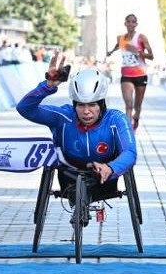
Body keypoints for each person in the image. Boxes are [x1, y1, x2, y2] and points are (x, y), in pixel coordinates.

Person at [16, 53, 136, 202]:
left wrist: (111, 168)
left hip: (105, 177)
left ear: (102, 104)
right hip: (69, 175)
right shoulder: (63, 116)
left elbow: (130, 152)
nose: (86, 111)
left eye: (92, 105)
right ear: (74, 104)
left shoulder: (116, 119)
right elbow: (24, 108)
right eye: (80, 105)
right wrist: (48, 86)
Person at [109, 14, 153, 129]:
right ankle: (128, 129)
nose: (131, 24)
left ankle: (136, 119)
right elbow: (117, 46)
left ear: (136, 24)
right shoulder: (121, 38)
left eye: (133, 22)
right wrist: (110, 52)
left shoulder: (141, 37)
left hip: (140, 74)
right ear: (125, 23)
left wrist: (138, 52)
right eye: (128, 21)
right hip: (126, 74)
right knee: (128, 104)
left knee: (137, 105)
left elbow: (151, 56)